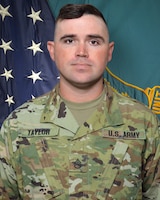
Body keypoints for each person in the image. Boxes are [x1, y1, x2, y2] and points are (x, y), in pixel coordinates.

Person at [0, 3, 160, 200]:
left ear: (109, 52)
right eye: (69, 41)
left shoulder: (143, 123)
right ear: (52, 50)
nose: (81, 52)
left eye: (93, 42)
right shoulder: (17, 125)